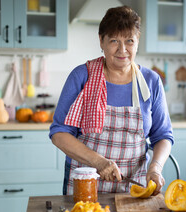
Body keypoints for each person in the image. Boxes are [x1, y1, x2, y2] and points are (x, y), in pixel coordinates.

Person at [49, 6, 174, 195]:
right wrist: (98, 162)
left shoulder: (151, 82)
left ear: (138, 41)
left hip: (134, 188)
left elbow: (163, 135)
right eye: (114, 40)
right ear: (101, 40)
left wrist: (155, 167)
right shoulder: (82, 76)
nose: (122, 50)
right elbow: (59, 133)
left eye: (129, 41)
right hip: (87, 183)